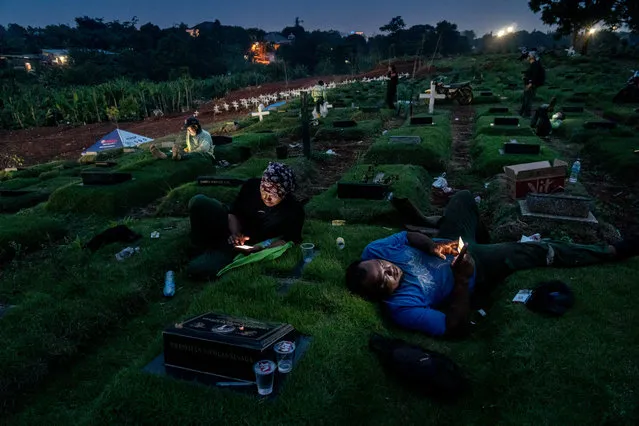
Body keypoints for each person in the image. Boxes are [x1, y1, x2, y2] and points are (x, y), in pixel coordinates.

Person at [345, 190, 638, 338]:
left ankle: (478, 234)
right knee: (534, 251)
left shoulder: (375, 249)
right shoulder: (403, 308)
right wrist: (461, 279)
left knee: (461, 198)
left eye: (382, 268)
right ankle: (609, 251)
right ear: (381, 297)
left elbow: (409, 237)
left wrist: (436, 246)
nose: (389, 274)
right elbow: (454, 327)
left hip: (450, 244)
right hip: (473, 268)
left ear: (375, 259)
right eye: (383, 284)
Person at [186, 162, 305, 280]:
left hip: (242, 246)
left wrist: (260, 248)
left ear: (284, 194)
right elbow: (233, 214)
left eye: (274, 194)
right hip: (231, 227)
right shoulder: (251, 186)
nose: (267, 197)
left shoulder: (293, 211)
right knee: (199, 202)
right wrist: (235, 233)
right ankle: (199, 247)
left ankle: (212, 255)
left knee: (195, 269)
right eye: (264, 190)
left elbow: (288, 240)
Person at [150, 116, 214, 161]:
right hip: (190, 151)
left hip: (204, 155)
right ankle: (164, 155)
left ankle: (179, 157)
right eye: (187, 129)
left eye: (189, 128)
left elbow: (203, 149)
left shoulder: (205, 135)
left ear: (196, 127)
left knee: (190, 155)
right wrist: (161, 144)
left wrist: (189, 152)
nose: (188, 130)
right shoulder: (189, 133)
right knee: (177, 150)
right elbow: (178, 142)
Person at [519, 50, 545, 118]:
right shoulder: (533, 64)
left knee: (528, 99)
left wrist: (530, 84)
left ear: (532, 57)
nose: (527, 57)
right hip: (529, 84)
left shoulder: (535, 64)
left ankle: (527, 114)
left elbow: (534, 75)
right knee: (526, 99)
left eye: (528, 56)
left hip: (531, 85)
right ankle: (522, 112)